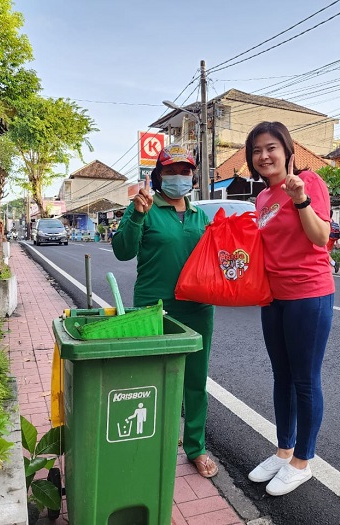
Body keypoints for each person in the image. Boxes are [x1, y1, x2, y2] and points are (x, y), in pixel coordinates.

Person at [111, 144, 218, 478]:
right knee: (154, 381)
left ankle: (196, 448)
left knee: (195, 383)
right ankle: (156, 443)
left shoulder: (201, 216)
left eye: (185, 171)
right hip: (153, 309)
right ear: (158, 176)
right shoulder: (144, 207)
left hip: (198, 310)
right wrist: (137, 216)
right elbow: (122, 251)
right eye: (170, 171)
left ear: (192, 177)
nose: (178, 177)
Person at [245, 121, 335, 496]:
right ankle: (284, 452)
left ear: (287, 151)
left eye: (271, 148)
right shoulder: (262, 199)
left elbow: (320, 238)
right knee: (281, 376)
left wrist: (300, 199)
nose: (264, 156)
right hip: (274, 297)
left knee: (304, 379)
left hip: (308, 295)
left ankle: (303, 461)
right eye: (257, 151)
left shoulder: (309, 182)